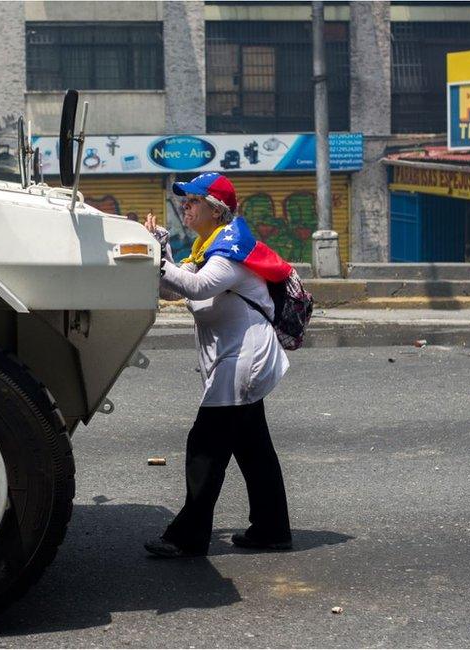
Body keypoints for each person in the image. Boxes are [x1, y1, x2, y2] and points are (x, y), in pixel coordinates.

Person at [143, 172, 293, 557]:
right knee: (254, 450)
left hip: (242, 361)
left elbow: (196, 288)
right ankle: (271, 530)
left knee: (204, 449)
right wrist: (161, 249)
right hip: (233, 359)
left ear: (215, 209)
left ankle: (186, 538)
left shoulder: (232, 249)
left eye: (192, 201)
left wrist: (159, 259)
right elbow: (171, 290)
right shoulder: (206, 247)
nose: (184, 207)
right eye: (185, 201)